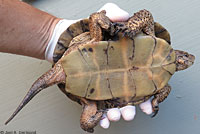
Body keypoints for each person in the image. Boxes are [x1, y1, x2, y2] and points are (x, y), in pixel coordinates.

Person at [0, 0, 153, 129]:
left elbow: (141, 16)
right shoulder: (150, 38)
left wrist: (53, 36)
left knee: (88, 118)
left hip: (91, 47)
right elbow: (145, 16)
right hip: (96, 63)